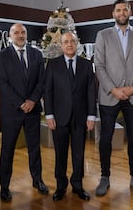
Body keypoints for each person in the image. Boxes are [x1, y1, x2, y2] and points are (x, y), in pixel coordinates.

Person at [94, 0, 133, 197]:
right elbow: (99, 66)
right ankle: (104, 177)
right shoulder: (103, 35)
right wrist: (113, 89)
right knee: (105, 138)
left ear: (130, 11)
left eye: (124, 9)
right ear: (113, 13)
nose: (121, 13)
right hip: (109, 96)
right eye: (118, 10)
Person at [0, 23, 48, 202]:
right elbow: (2, 83)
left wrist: (32, 100)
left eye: (22, 32)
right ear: (10, 36)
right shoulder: (2, 56)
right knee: (7, 150)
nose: (20, 35)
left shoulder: (36, 54)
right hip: (12, 111)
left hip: (33, 110)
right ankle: (4, 187)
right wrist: (20, 103)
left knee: (34, 149)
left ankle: (37, 180)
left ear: (26, 34)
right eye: (16, 32)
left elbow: (42, 81)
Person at [44, 32, 96, 201]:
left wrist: (91, 116)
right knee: (60, 154)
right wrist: (49, 115)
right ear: (61, 44)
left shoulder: (87, 65)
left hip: (81, 118)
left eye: (72, 41)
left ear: (77, 43)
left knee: (79, 153)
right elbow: (48, 91)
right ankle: (60, 186)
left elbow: (90, 92)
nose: (69, 44)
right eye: (65, 42)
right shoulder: (52, 65)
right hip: (59, 118)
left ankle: (77, 185)